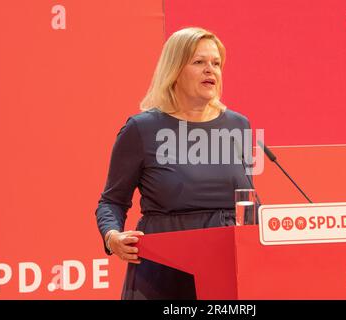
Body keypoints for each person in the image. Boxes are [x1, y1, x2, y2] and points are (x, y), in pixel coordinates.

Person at [95, 27, 254, 300]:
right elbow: (111, 201)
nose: (210, 70)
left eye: (216, 63)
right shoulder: (142, 128)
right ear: (175, 70)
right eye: (199, 62)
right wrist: (113, 237)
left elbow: (248, 200)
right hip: (164, 269)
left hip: (227, 266)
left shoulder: (237, 125)